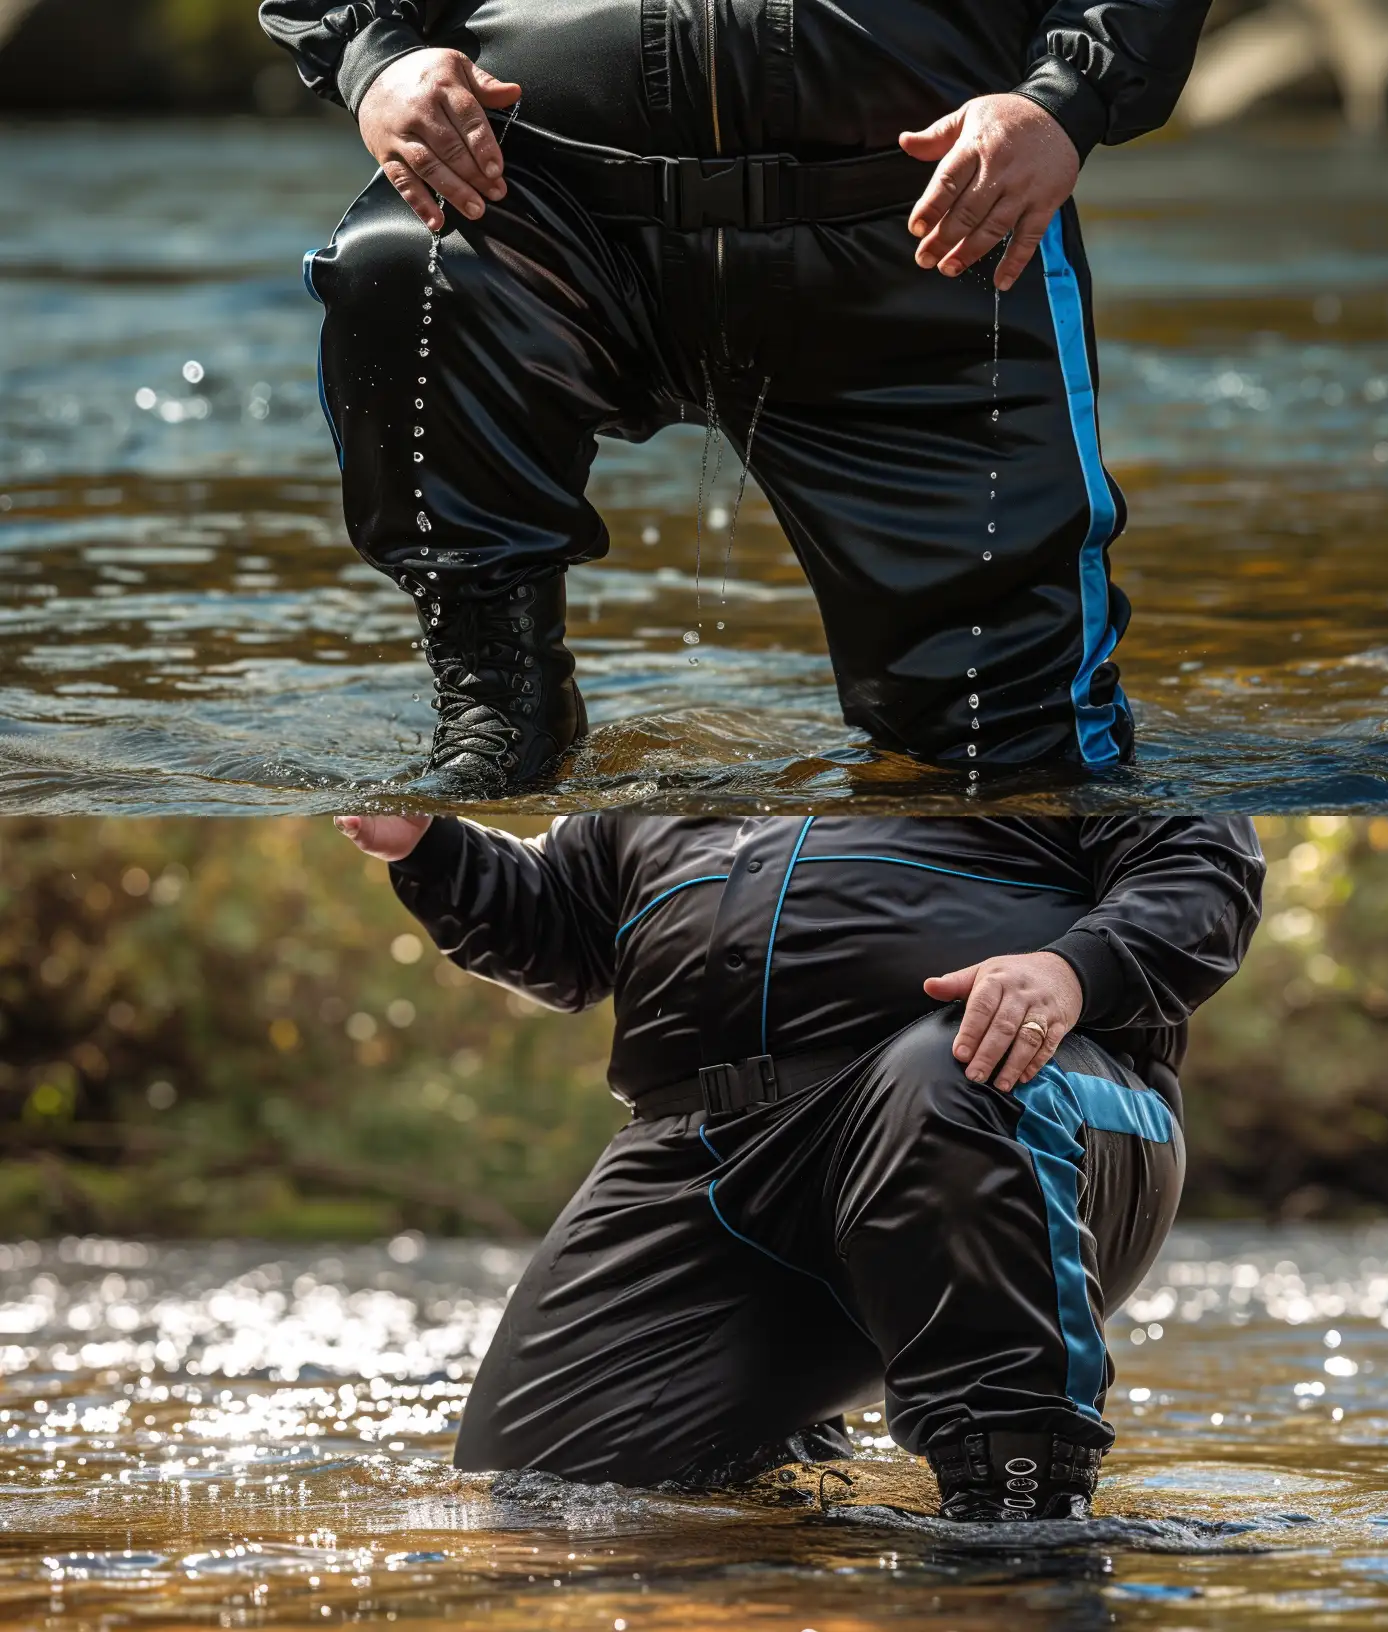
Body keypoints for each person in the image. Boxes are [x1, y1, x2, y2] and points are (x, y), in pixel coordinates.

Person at [264, 0, 1208, 792]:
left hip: (926, 229)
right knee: (400, 265)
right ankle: (500, 714)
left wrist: (1066, 95)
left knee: (1007, 769)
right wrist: (375, 56)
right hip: (533, 202)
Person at [333, 810, 1263, 1520]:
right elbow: (565, 935)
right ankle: (790, 1486)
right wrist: (429, 843)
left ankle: (1022, 1523)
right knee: (541, 1506)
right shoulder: (672, 746)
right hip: (695, 1153)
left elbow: (1203, 871)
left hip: (1006, 1099)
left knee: (951, 1066)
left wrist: (1071, 970)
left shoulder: (1029, 704)